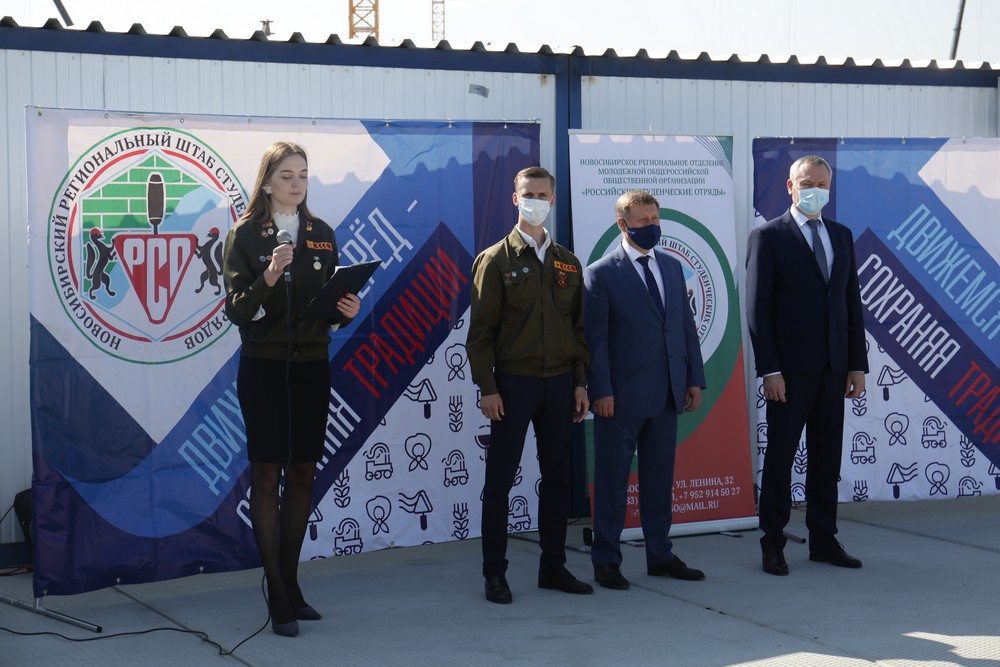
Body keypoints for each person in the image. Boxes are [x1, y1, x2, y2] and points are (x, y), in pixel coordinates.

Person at [223, 142, 361, 636]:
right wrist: (270, 274)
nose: (297, 183)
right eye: (287, 175)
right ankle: (277, 593)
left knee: (303, 472)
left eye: (303, 174)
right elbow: (237, 309)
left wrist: (345, 312)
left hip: (311, 367)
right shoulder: (244, 234)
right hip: (263, 368)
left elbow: (326, 304)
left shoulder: (321, 233)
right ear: (267, 182)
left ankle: (292, 582)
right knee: (266, 475)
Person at [467, 166, 592, 604]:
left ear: (552, 200)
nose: (535, 201)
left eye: (542, 194)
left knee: (557, 479)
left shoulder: (567, 262)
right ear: (515, 198)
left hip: (560, 384)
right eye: (528, 194)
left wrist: (580, 383)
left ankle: (553, 568)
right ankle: (494, 574)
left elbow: (578, 330)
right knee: (500, 482)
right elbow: (480, 335)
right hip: (513, 385)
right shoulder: (494, 260)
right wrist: (487, 388)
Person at [745, 154, 868, 576]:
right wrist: (770, 370)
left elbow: (851, 302)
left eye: (821, 184)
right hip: (789, 373)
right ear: (790, 187)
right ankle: (772, 544)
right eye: (806, 183)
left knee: (826, 460)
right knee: (780, 460)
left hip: (834, 369)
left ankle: (824, 540)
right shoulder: (767, 236)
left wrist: (856, 365)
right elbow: (757, 309)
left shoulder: (841, 235)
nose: (814, 190)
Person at [584, 190, 706, 590]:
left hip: (667, 394)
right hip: (619, 399)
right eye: (643, 221)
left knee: (658, 480)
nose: (652, 226)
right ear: (623, 224)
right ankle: (606, 560)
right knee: (612, 482)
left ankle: (661, 555)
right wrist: (601, 390)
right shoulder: (601, 274)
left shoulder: (671, 267)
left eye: (655, 219)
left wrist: (694, 378)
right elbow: (595, 341)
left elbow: (685, 328)